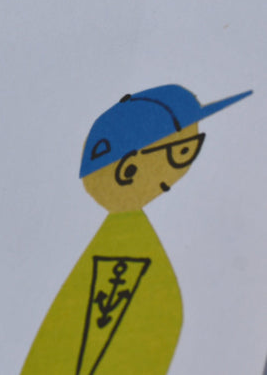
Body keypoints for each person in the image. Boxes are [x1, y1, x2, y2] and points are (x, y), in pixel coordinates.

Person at [20, 85, 251, 374]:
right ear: (128, 170)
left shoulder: (120, 245)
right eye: (182, 152)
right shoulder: (124, 254)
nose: (184, 169)